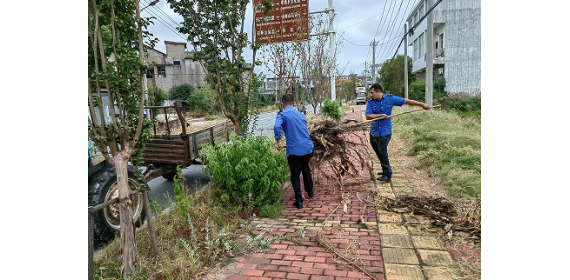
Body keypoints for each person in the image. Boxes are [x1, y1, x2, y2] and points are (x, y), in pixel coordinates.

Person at [365, 83, 431, 182]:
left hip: (385, 132)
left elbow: (406, 101)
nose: (371, 95)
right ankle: (385, 169)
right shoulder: (370, 103)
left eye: (372, 93)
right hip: (374, 132)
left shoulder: (390, 99)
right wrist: (380, 116)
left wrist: (422, 104)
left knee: (382, 151)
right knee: (378, 151)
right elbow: (368, 116)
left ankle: (387, 175)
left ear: (379, 91)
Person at [274, 94, 315, 209]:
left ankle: (299, 201)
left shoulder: (282, 115)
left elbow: (277, 127)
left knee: (295, 174)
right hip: (308, 148)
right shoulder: (300, 115)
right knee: (305, 166)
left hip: (295, 151)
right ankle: (310, 191)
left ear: (282, 104)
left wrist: (278, 141)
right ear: (293, 104)